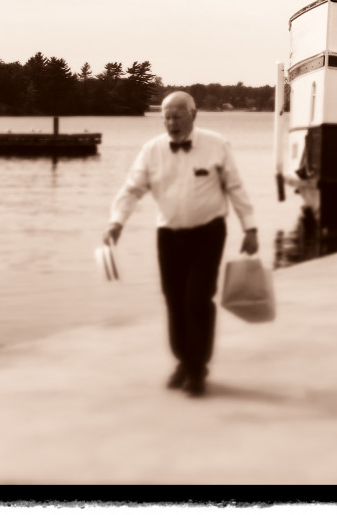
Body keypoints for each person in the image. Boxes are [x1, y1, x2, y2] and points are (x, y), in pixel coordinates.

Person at [103, 91, 258, 397]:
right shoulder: (152, 150)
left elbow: (235, 187)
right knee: (174, 301)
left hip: (208, 233)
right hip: (169, 235)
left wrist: (249, 227)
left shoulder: (217, 145)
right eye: (166, 117)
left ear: (193, 115)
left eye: (177, 116)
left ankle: (197, 367)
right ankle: (184, 360)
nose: (171, 123)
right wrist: (116, 223)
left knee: (197, 299)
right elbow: (132, 189)